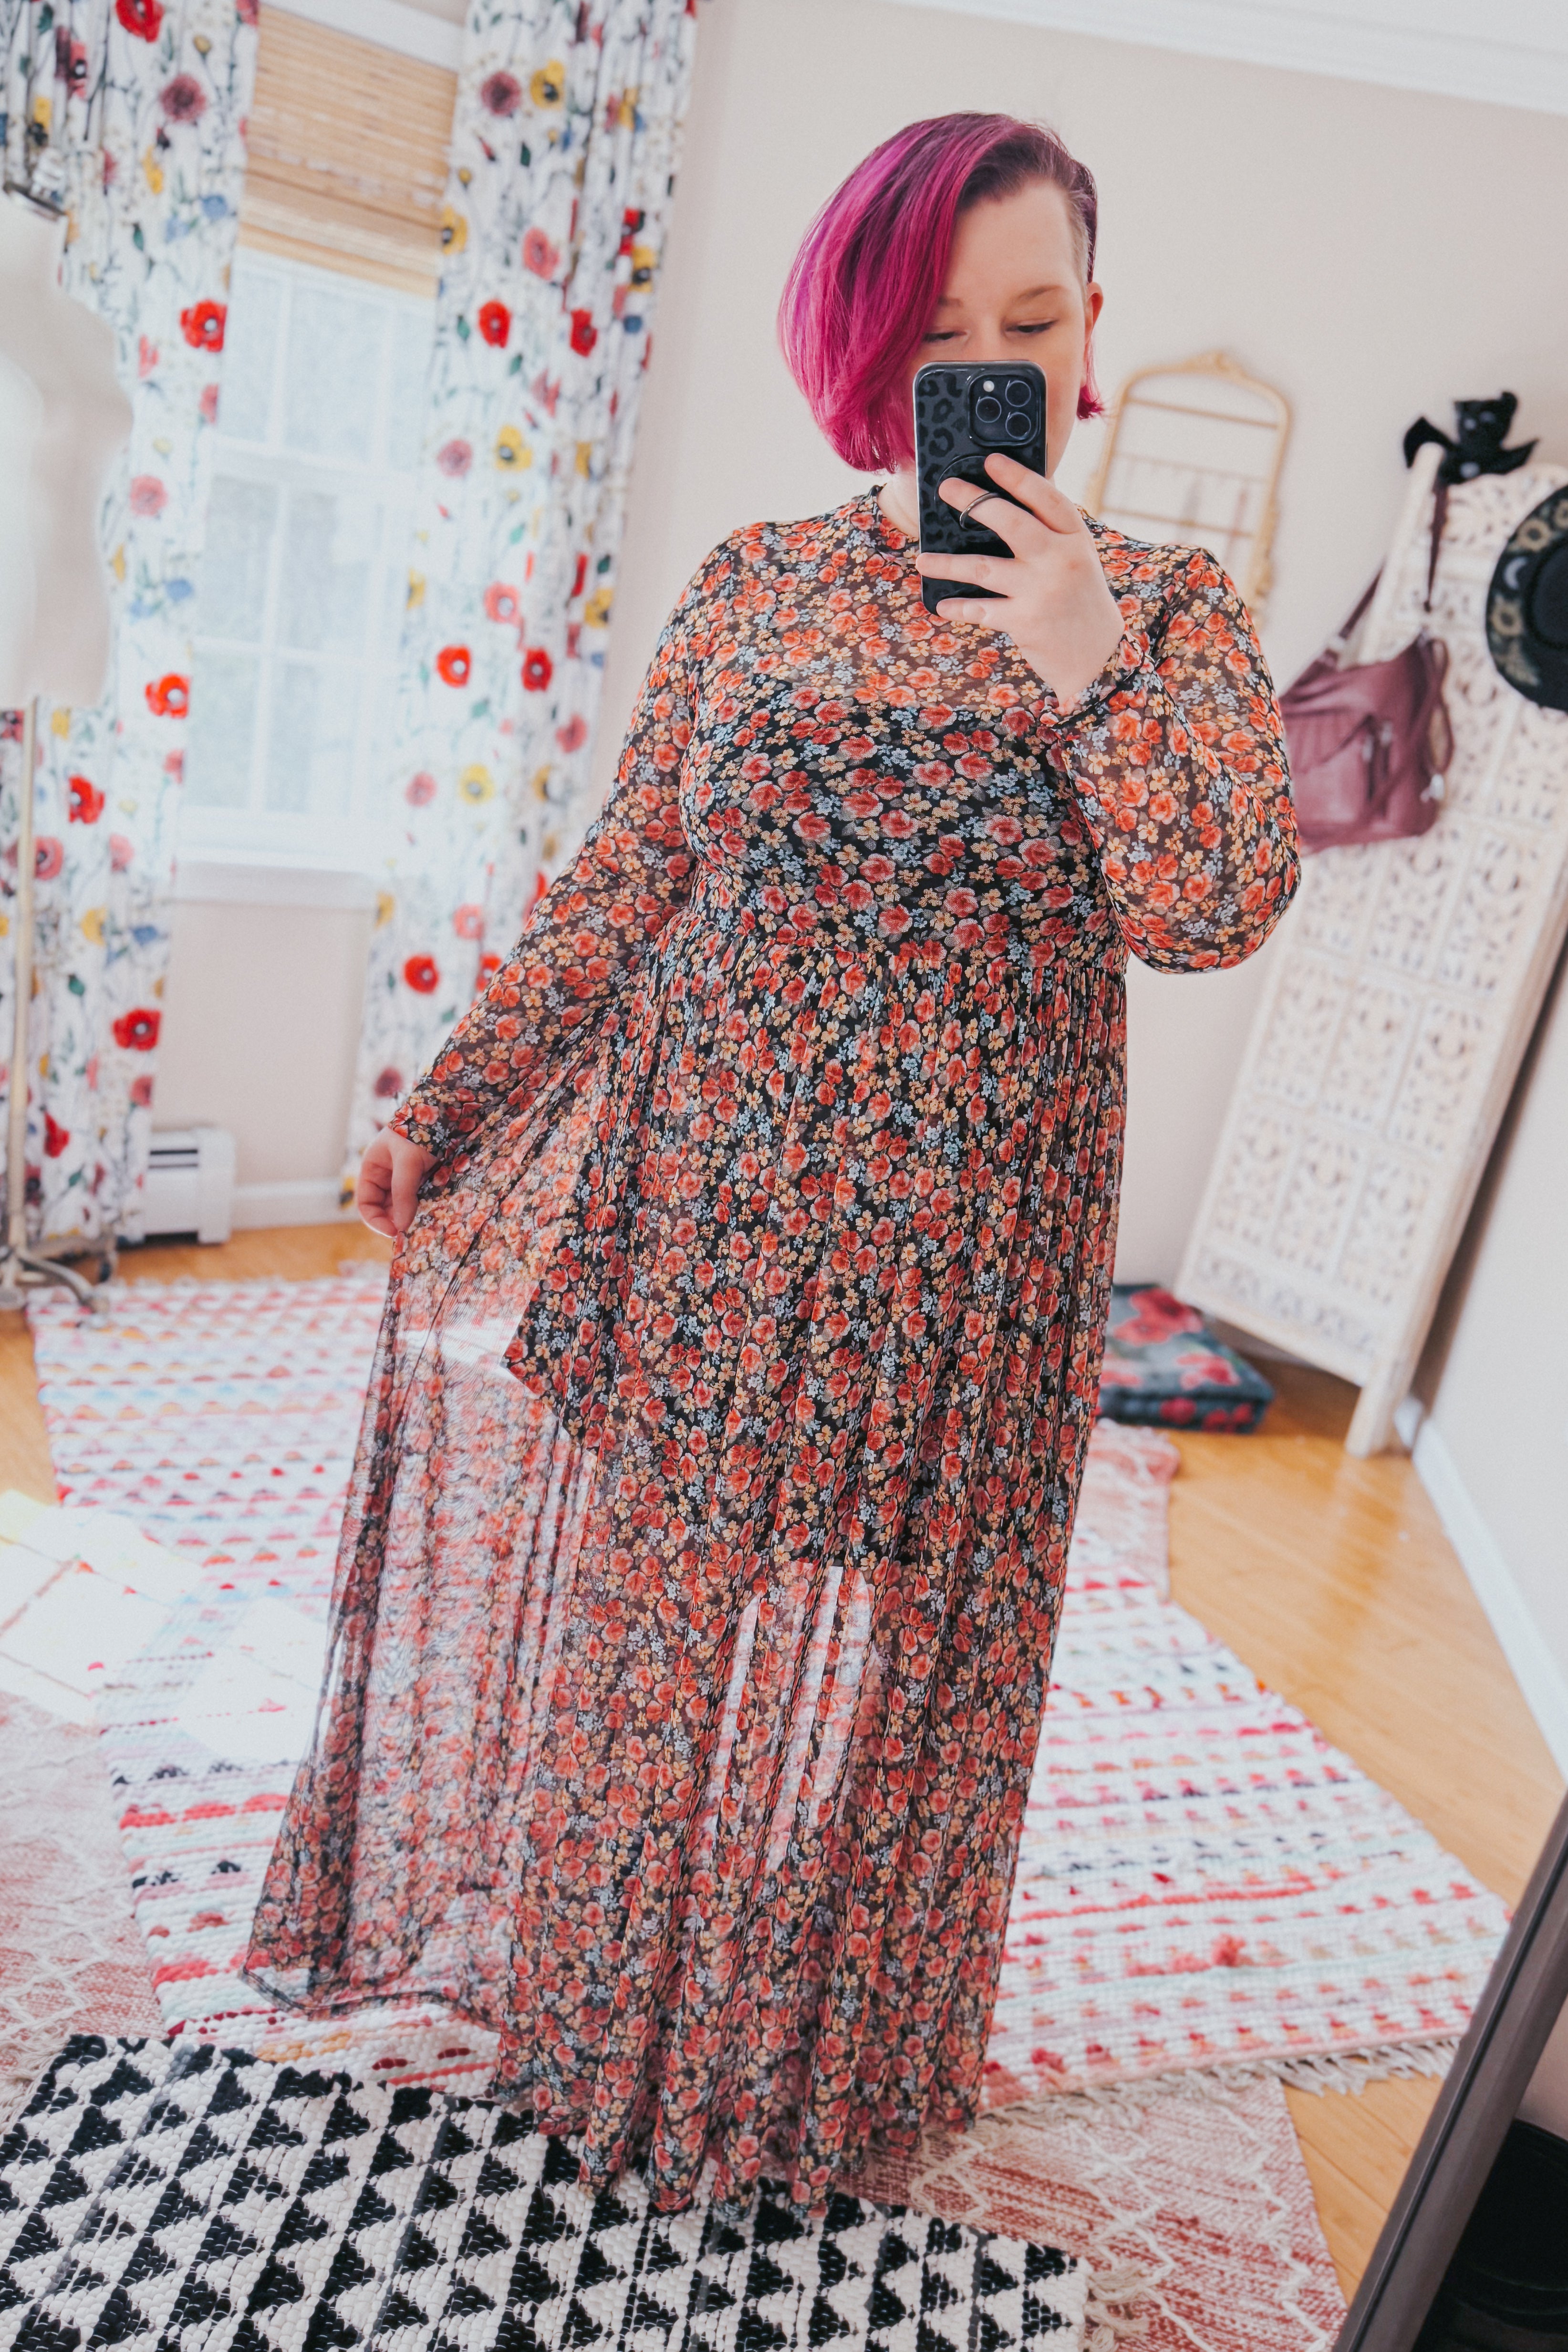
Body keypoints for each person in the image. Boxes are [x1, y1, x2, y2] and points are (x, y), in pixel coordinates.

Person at [244, 111, 1298, 2218]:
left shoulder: (1168, 619)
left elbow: (1214, 901)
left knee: (908, 1709)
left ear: (1092, 335)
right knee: (650, 1661)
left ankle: (818, 2070)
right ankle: (590, 2019)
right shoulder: (756, 588)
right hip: (705, 1230)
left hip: (963, 1281)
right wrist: (452, 1105)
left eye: (1030, 321)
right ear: (863, 348)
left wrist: (1080, 655)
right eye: (934, 335)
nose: (983, 370)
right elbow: (624, 889)